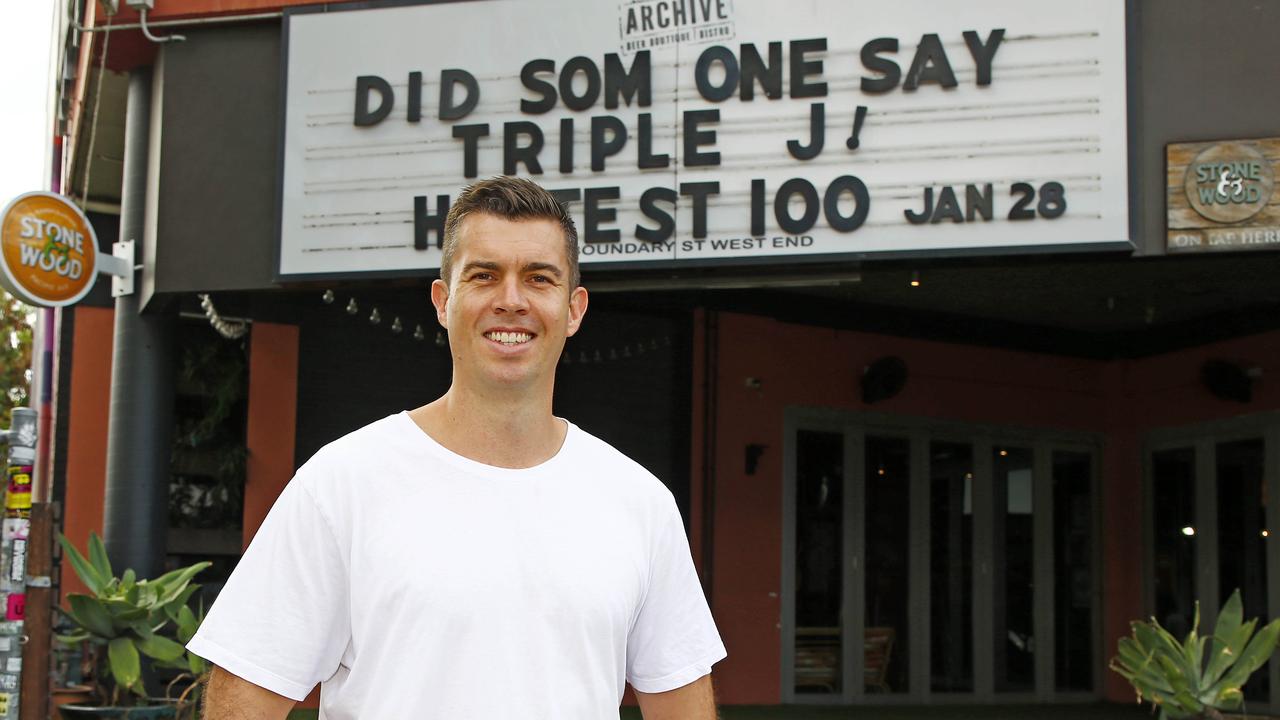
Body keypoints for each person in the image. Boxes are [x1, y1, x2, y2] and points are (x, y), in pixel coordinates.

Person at [187, 176, 727, 719]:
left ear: (574, 309)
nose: (511, 301)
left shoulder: (639, 502)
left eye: (538, 279)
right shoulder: (342, 484)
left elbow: (682, 704)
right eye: (484, 276)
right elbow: (245, 696)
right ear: (443, 301)